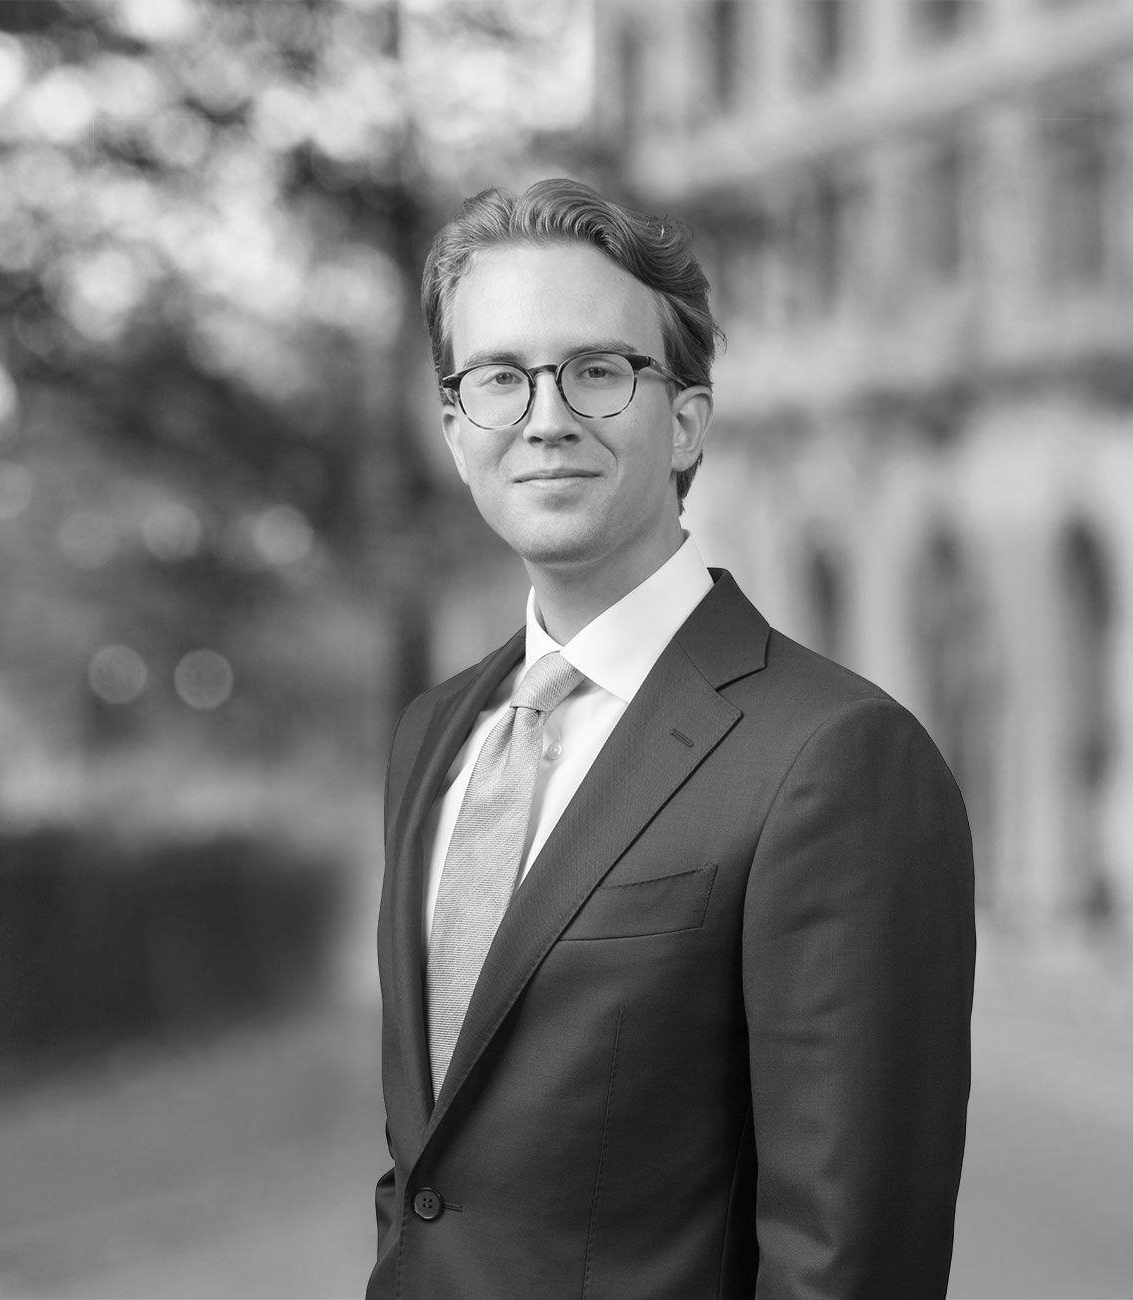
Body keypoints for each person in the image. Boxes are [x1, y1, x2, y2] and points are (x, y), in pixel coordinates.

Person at [369, 179, 974, 1299]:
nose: (545, 417)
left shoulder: (835, 757)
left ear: (686, 419)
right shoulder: (435, 735)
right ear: (454, 430)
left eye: (597, 370)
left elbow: (850, 1262)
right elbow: (433, 1174)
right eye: (498, 377)